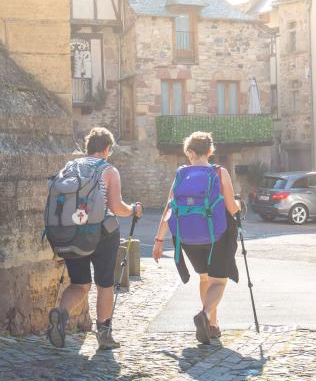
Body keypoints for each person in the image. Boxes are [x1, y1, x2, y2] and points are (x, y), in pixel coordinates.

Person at [47, 127, 142, 351]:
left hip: (70, 231)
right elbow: (117, 207)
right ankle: (104, 335)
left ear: (88, 147)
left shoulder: (70, 167)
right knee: (104, 284)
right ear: (107, 149)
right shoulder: (108, 170)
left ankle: (60, 314)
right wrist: (133, 209)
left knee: (79, 283)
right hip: (102, 233)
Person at [152, 131, 240, 345]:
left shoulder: (181, 174)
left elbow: (169, 208)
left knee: (204, 278)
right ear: (210, 151)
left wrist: (159, 240)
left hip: (188, 238)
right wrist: (240, 205)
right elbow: (231, 208)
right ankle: (205, 314)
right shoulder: (220, 172)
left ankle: (212, 324)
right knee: (218, 280)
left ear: (189, 152)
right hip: (216, 236)